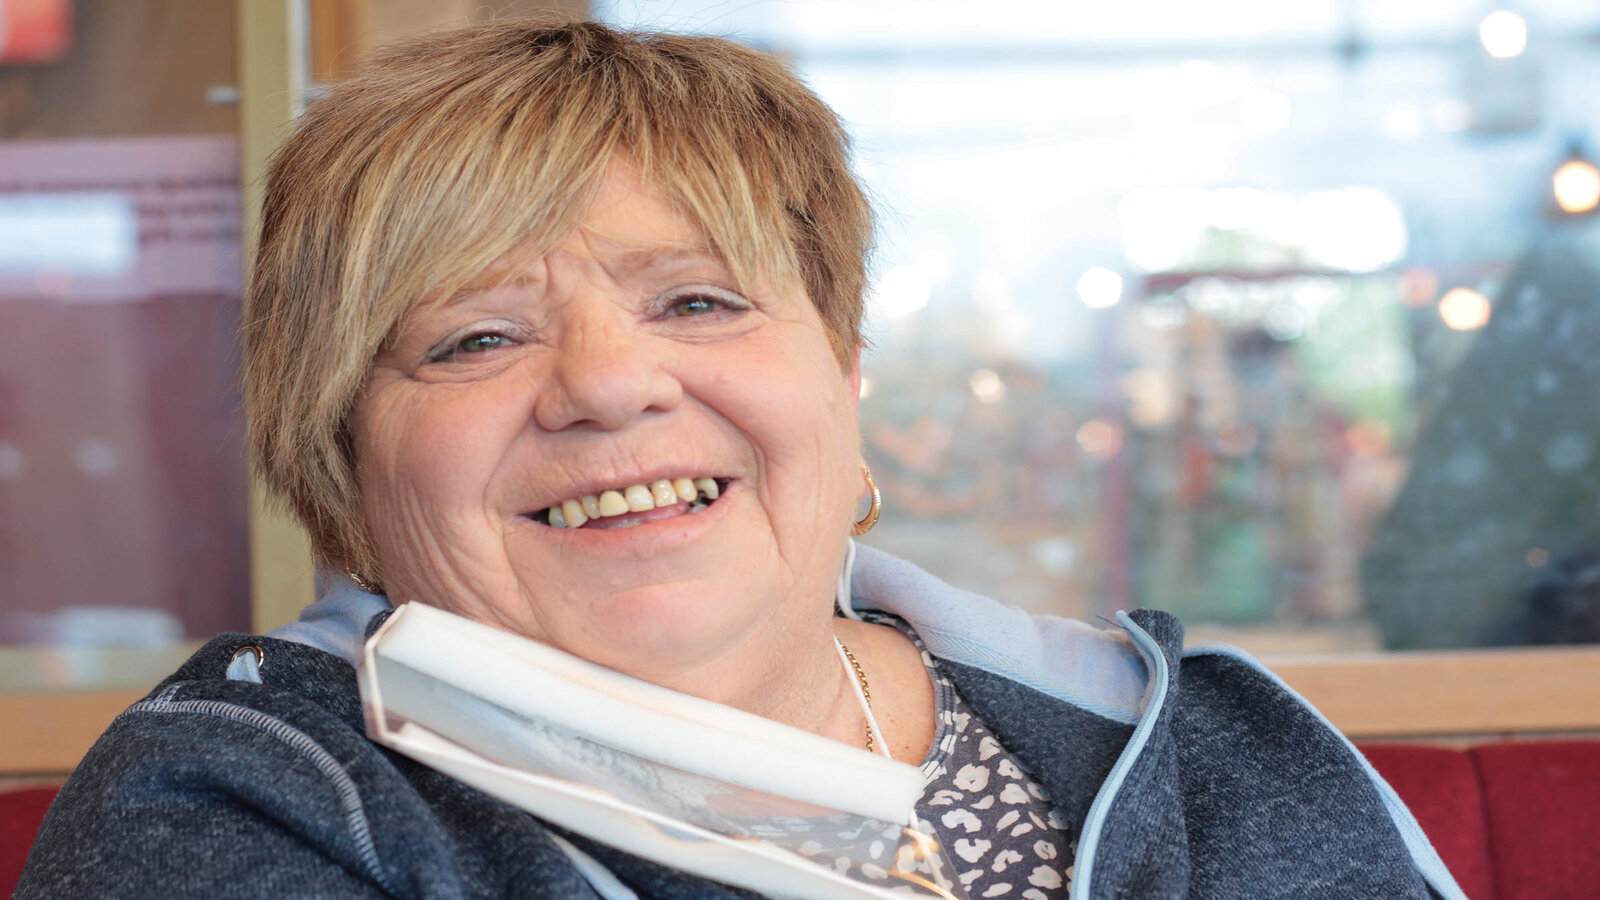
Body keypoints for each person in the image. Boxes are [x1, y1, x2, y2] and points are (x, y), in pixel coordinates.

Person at [18, 20, 1464, 900]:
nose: (608, 384)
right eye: (470, 340)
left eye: (697, 301)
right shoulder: (243, 804)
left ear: (841, 380)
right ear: (341, 462)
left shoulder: (1208, 744)